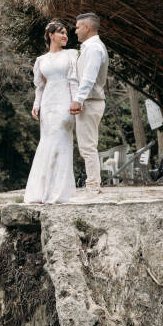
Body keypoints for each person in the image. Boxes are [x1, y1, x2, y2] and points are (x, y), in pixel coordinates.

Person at [23, 21, 78, 203]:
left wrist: (76, 101)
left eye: (66, 33)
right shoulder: (41, 60)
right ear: (50, 35)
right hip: (48, 104)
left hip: (65, 103)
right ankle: (41, 191)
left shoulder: (70, 54)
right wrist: (36, 104)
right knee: (46, 143)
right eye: (61, 33)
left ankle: (59, 193)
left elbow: (73, 80)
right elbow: (40, 87)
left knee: (61, 142)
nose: (65, 36)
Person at [69, 13, 108, 195]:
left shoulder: (93, 48)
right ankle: (93, 184)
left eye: (77, 27)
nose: (75, 31)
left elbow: (89, 77)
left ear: (86, 28)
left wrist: (78, 99)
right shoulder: (90, 47)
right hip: (91, 101)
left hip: (90, 101)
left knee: (87, 145)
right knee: (88, 144)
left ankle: (93, 185)